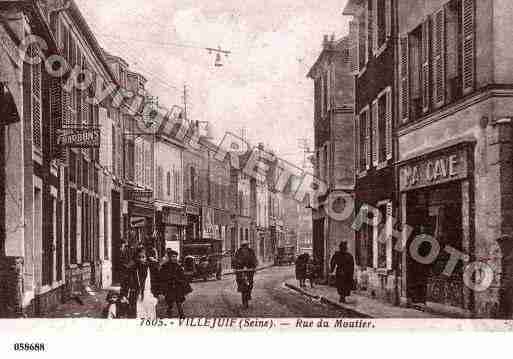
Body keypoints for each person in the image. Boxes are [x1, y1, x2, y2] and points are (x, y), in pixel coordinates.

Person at [120, 246, 158, 318]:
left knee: (149, 317)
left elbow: (156, 283)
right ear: (136, 258)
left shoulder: (151, 269)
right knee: (137, 316)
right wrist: (124, 295)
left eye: (143, 257)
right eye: (139, 257)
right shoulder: (132, 269)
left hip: (148, 296)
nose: (141, 259)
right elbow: (125, 283)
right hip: (136, 296)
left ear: (146, 258)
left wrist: (155, 296)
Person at [159, 249, 191, 318]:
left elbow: (182, 277)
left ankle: (181, 315)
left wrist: (183, 284)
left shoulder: (178, 266)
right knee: (170, 302)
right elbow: (162, 277)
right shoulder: (165, 266)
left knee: (179, 302)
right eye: (173, 256)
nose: (175, 258)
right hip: (169, 287)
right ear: (170, 257)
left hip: (177, 287)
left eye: (176, 257)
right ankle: (169, 311)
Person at [233, 239, 258, 308]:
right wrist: (235, 268)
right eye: (243, 246)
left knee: (250, 284)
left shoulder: (251, 251)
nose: (245, 247)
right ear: (241, 246)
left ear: (248, 245)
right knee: (240, 282)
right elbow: (235, 260)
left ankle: (249, 293)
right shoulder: (238, 252)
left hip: (249, 270)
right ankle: (244, 298)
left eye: (246, 245)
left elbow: (254, 259)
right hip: (240, 271)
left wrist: (254, 267)